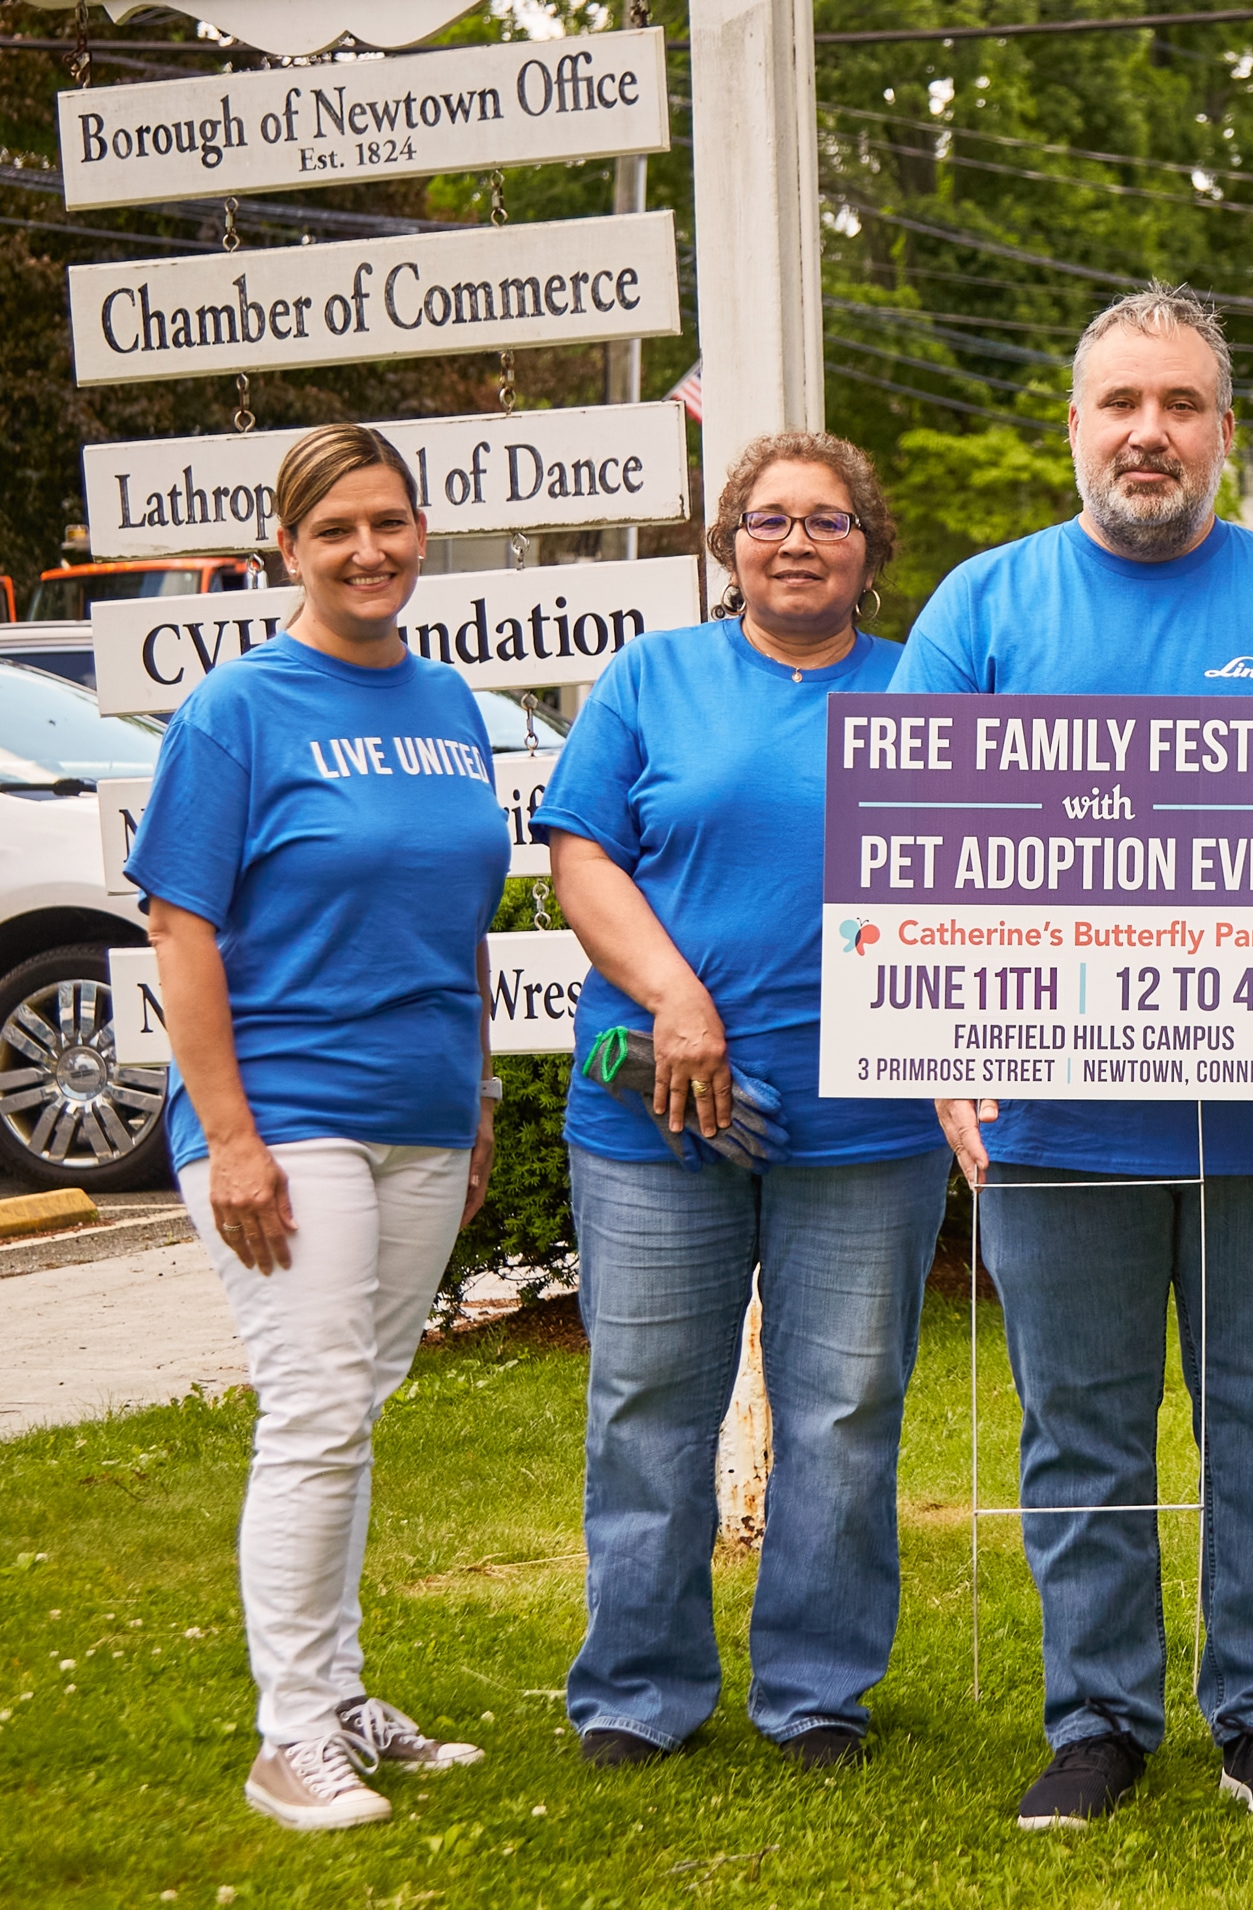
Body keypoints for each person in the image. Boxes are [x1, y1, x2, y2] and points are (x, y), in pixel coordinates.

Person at [894, 286, 1253, 1829]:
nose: (1150, 432)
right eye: (1121, 404)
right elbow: (910, 851)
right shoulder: (985, 608)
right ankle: (1100, 1718)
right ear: (1073, 426)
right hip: (1055, 1109)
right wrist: (941, 1050)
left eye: (1180, 405)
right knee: (1082, 1424)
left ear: (1224, 432)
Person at [543, 433, 951, 1772]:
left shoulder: (923, 691)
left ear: (870, 554)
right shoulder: (652, 678)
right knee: (652, 1396)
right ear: (728, 547)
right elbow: (583, 855)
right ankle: (636, 1691)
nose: (796, 540)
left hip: (868, 1120)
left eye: (828, 520)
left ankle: (818, 1691)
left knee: (842, 1407)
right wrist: (675, 996)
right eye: (768, 518)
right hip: (658, 1107)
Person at [128, 423, 507, 1830]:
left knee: (355, 1404)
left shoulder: (450, 700)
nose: (369, 551)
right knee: (315, 1410)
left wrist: (477, 1101)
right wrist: (226, 1133)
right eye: (337, 528)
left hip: (420, 1111)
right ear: (290, 547)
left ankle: (338, 1691)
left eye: (392, 523)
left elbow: (461, 920)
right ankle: (288, 1733)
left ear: (421, 534)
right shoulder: (239, 707)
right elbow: (183, 925)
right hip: (285, 1115)